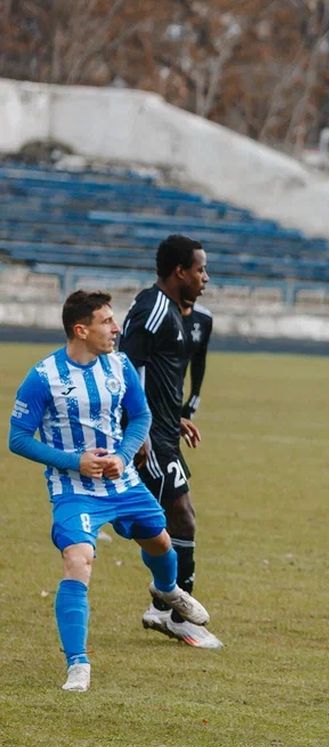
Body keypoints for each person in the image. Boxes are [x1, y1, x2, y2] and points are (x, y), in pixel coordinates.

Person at [8, 291, 212, 691]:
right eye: (106, 322)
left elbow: (141, 415)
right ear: (80, 330)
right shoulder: (44, 376)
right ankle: (78, 665)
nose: (116, 329)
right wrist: (75, 462)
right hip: (73, 490)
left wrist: (122, 453)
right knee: (79, 561)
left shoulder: (119, 366)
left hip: (123, 483)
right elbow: (17, 438)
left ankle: (167, 590)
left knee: (161, 543)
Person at [119, 234, 222, 648]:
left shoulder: (171, 312)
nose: (205, 278)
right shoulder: (154, 309)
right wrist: (138, 428)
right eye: (200, 270)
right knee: (176, 517)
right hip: (149, 439)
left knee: (174, 518)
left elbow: (155, 375)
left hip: (163, 431)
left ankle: (166, 608)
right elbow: (128, 368)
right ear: (180, 271)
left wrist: (174, 415)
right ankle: (172, 611)